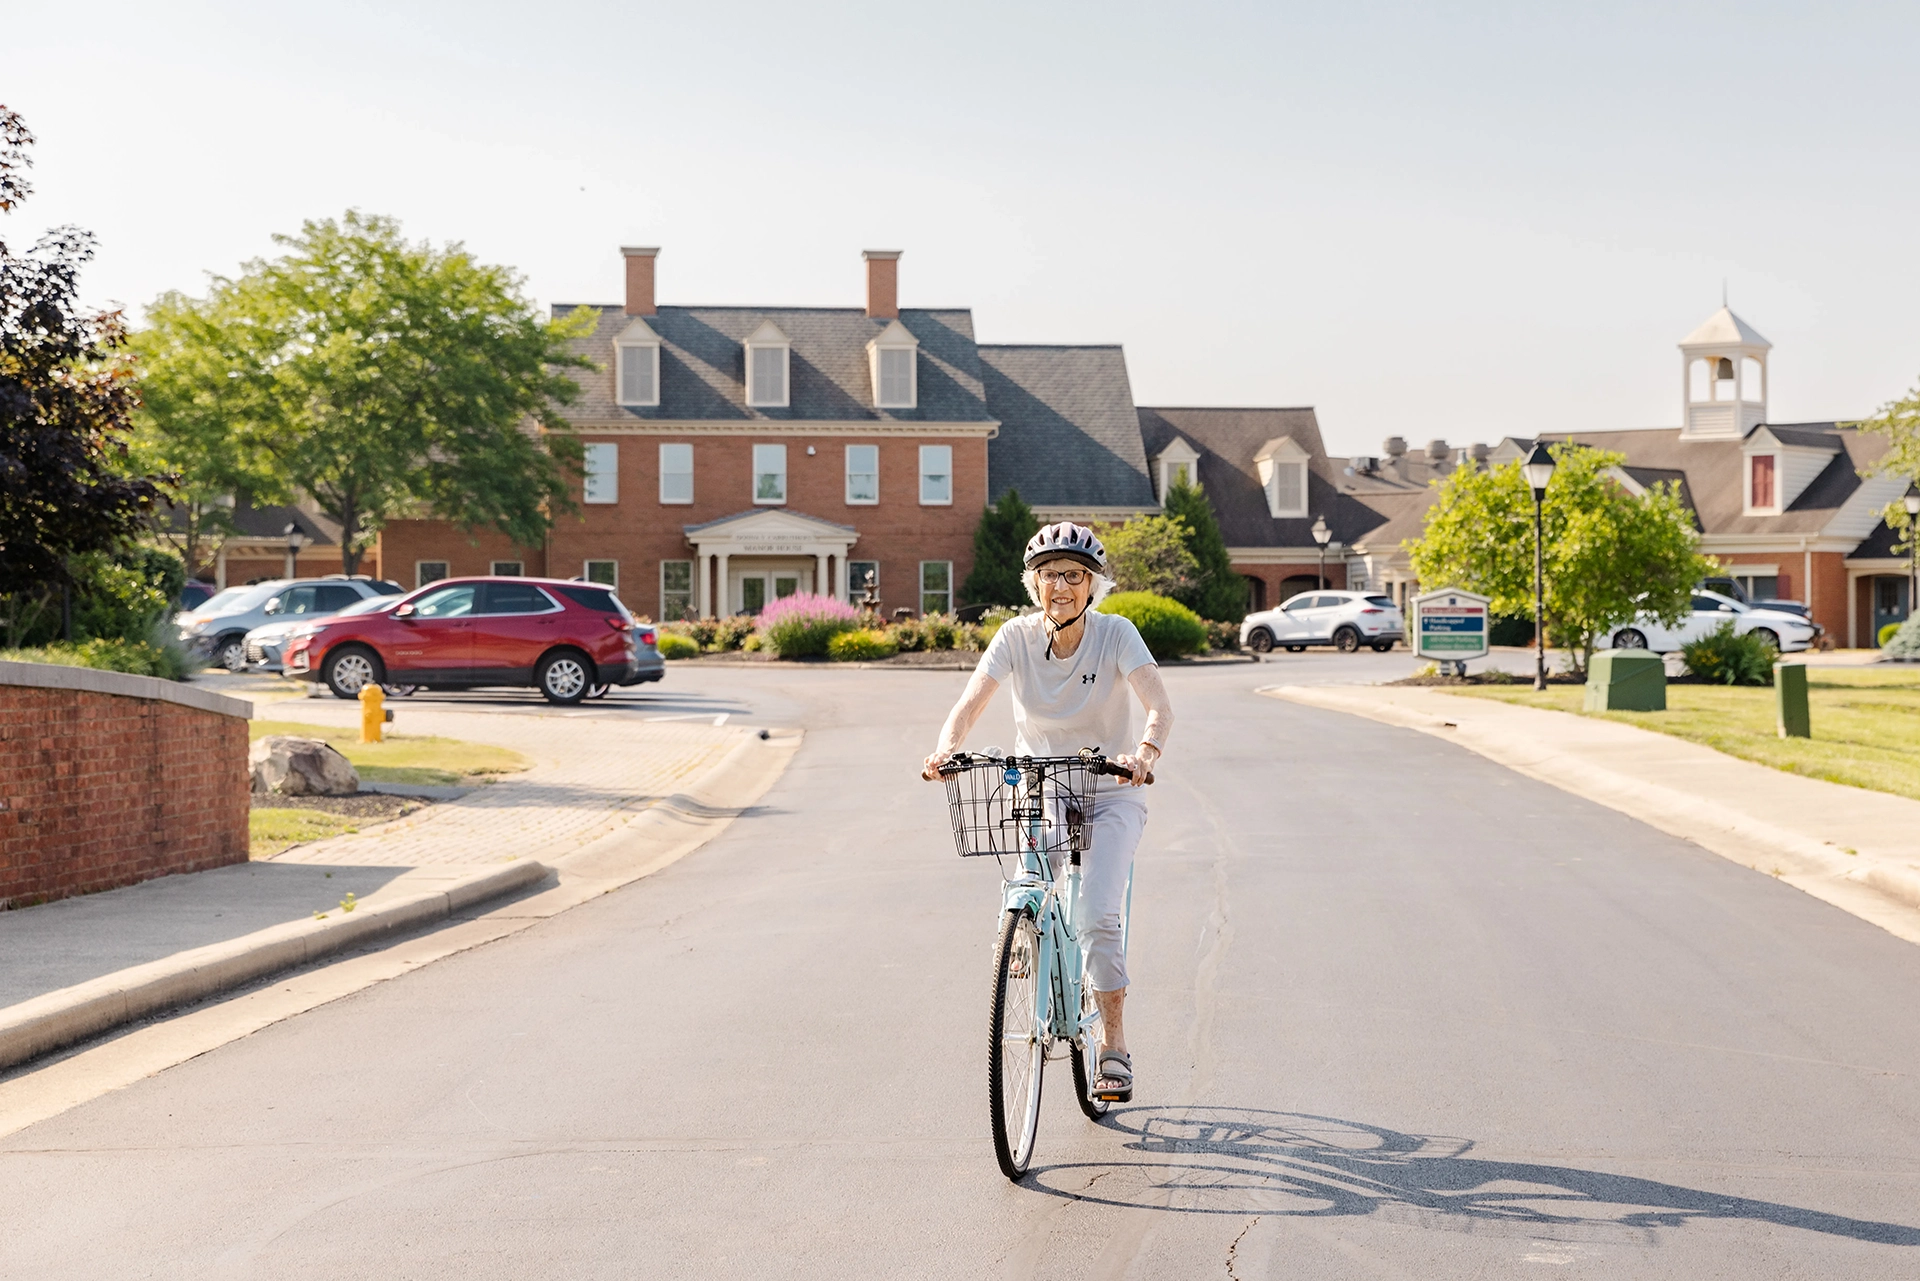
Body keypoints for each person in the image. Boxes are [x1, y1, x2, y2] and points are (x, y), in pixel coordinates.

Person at [922, 521, 1174, 1102]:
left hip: (1110, 787)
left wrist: (1143, 753)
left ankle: (1113, 1042)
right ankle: (1026, 930)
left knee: (1098, 917)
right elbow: (969, 703)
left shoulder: (1117, 634)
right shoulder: (1013, 637)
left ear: (1093, 585)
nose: (1060, 585)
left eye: (1074, 575)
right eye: (1048, 575)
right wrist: (946, 748)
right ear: (1032, 584)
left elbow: (1157, 703)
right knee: (1032, 875)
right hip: (1041, 783)